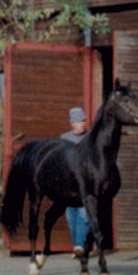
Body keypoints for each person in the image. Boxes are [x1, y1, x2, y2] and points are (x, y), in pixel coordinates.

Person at [60, 106, 90, 257]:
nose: (80, 125)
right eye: (77, 122)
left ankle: (79, 246)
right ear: (72, 123)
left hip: (85, 183)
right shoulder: (64, 139)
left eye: (82, 121)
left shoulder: (90, 137)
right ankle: (77, 247)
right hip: (69, 185)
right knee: (71, 217)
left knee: (84, 215)